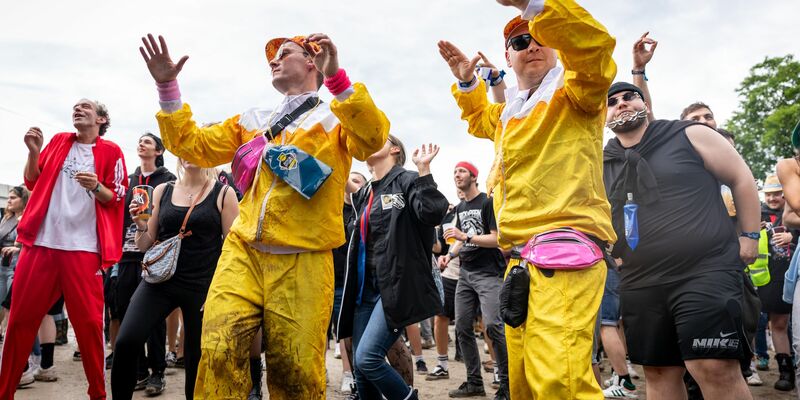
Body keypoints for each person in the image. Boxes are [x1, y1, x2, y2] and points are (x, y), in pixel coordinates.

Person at [138, 31, 389, 398]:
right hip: (244, 254)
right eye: (272, 56)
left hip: (304, 260)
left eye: (284, 53)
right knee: (218, 349)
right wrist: (168, 88)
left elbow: (372, 138)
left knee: (297, 373)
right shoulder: (253, 119)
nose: (273, 60)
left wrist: (337, 79)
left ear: (311, 62)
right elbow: (192, 144)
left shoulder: (337, 118)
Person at [438, 0, 617, 397]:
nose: (531, 45)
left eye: (540, 36)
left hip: (565, 252)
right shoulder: (509, 114)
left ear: (555, 44)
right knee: (522, 384)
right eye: (520, 41)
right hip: (518, 261)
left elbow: (594, 48)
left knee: (560, 381)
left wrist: (533, 4)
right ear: (508, 56)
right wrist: (469, 84)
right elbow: (480, 119)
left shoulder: (576, 91)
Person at [603, 82, 760, 400]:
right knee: (658, 372)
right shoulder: (602, 161)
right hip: (640, 278)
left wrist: (750, 236)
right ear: (602, 115)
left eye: (628, 96)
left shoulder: (687, 134)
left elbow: (740, 176)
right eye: (612, 101)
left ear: (644, 102)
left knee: (712, 365)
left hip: (705, 269)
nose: (621, 103)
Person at [0, 99, 127, 400]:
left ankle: (97, 394)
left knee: (89, 326)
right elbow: (31, 179)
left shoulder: (111, 152)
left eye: (86, 107)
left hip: (82, 250)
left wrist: (96, 186)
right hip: (41, 245)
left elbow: (116, 196)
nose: (78, 110)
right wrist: (33, 152)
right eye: (75, 108)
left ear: (101, 119)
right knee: (19, 321)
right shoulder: (58, 141)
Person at [112, 158, 237, 400]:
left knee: (195, 358)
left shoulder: (224, 193)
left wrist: (219, 291)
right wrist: (140, 225)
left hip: (203, 285)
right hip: (159, 281)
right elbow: (144, 245)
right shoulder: (163, 190)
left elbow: (232, 250)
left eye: (195, 147)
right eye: (183, 150)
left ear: (206, 151)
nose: (189, 154)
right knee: (127, 341)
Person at [337, 137, 448, 400]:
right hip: (365, 291)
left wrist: (424, 171)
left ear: (395, 149)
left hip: (395, 288)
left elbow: (432, 213)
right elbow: (338, 181)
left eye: (380, 138)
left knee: (367, 358)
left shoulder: (407, 180)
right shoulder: (365, 192)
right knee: (361, 369)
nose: (371, 139)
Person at [438, 162, 508, 399]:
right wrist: (449, 255)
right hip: (465, 274)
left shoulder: (487, 202)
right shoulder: (460, 206)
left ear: (473, 176)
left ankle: (507, 385)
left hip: (489, 273)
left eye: (461, 171)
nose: (456, 174)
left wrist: (465, 236)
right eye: (454, 171)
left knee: (493, 326)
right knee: (462, 328)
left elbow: (496, 239)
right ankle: (474, 382)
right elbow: (460, 239)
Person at [113, 132, 176, 394]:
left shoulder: (168, 180)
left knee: (154, 317)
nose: (141, 144)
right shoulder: (129, 180)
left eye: (147, 142)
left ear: (159, 151)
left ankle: (157, 372)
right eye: (139, 141)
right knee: (128, 313)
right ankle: (138, 370)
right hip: (127, 255)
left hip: (154, 256)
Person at [755, 175, 797, 391]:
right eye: (768, 194)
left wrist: (793, 237)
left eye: (776, 193)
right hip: (760, 278)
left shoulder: (793, 214)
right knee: (753, 325)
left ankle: (787, 372)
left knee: (780, 324)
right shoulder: (757, 213)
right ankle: (748, 368)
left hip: (786, 277)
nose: (772, 198)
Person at [333, 170, 368, 395]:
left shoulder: (365, 209)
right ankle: (348, 374)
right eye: (349, 178)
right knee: (343, 330)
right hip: (335, 279)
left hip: (360, 280)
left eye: (356, 180)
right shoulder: (333, 209)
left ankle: (364, 377)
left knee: (361, 335)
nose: (350, 183)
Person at [0, 186, 29, 337]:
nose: (9, 200)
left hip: (18, 266)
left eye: (13, 198)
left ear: (23, 200)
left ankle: (11, 335)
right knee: (2, 303)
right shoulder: (6, 218)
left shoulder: (28, 216)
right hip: (2, 266)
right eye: (8, 197)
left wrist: (16, 247)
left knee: (11, 305)